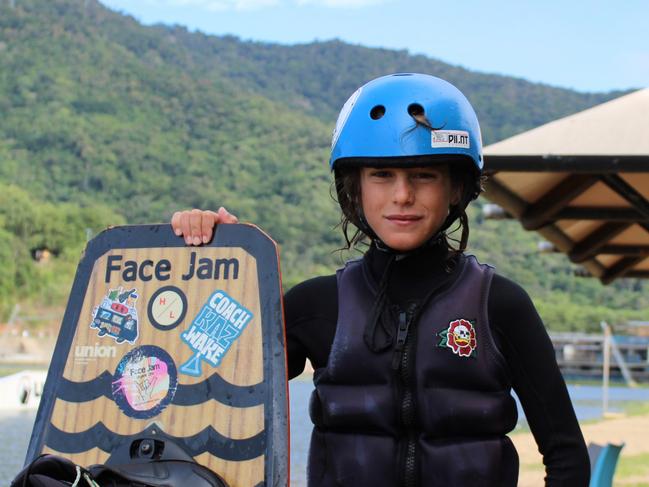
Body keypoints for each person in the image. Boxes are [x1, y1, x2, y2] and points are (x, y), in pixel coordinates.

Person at [171, 73, 590, 486]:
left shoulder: (498, 305)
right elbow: (199, 386)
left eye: (424, 175)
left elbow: (566, 455)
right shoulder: (317, 306)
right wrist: (223, 267)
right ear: (355, 189)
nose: (402, 195)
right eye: (382, 175)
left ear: (457, 189)